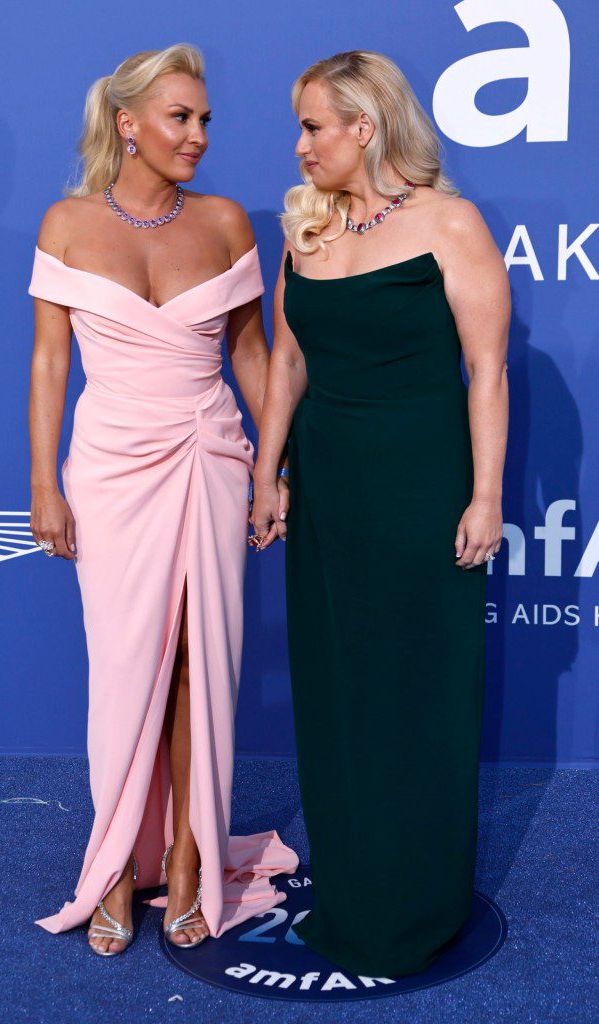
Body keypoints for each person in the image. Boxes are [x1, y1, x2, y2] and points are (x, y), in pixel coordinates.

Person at [27, 43, 297, 957]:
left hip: (211, 457)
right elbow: (49, 364)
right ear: (127, 123)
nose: (197, 135)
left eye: (205, 120)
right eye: (180, 118)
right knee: (126, 671)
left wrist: (270, 468)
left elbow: (254, 358)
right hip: (109, 468)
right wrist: (42, 485)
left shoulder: (224, 223)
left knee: (203, 665)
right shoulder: (66, 222)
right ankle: (111, 869)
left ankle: (185, 862)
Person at [251, 50, 509, 977]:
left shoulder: (450, 223)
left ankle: (417, 905)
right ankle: (354, 890)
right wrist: (266, 472)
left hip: (418, 488)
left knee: (413, 693)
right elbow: (286, 362)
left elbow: (486, 370)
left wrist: (484, 496)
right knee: (337, 693)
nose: (301, 145)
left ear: (365, 126)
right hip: (325, 489)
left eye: (314, 126)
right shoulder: (305, 228)